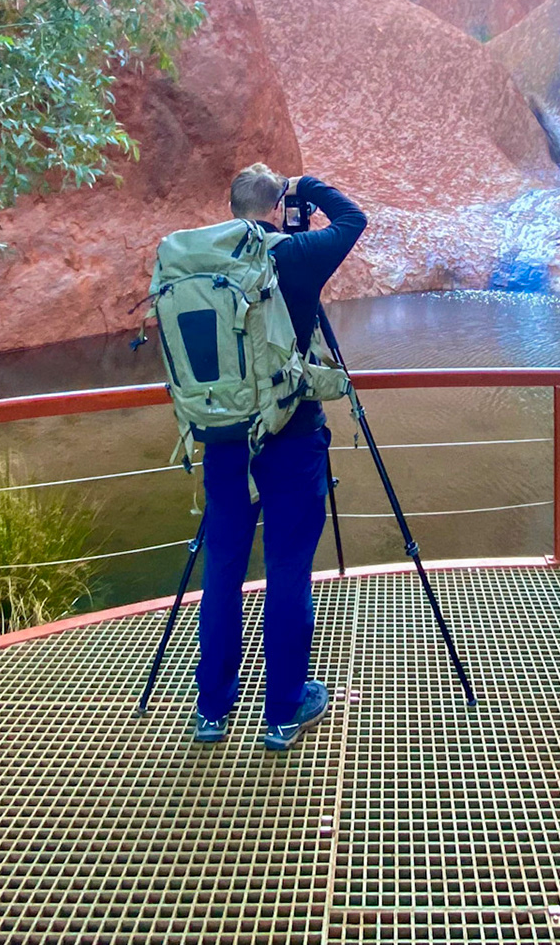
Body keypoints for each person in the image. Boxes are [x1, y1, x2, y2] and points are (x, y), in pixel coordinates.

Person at [193, 165, 365, 749]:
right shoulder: (293, 255)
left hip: (223, 441)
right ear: (274, 207)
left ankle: (212, 710)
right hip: (292, 441)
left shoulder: (206, 262)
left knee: (222, 570)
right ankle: (285, 710)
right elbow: (354, 219)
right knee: (287, 571)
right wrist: (307, 185)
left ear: (231, 205)